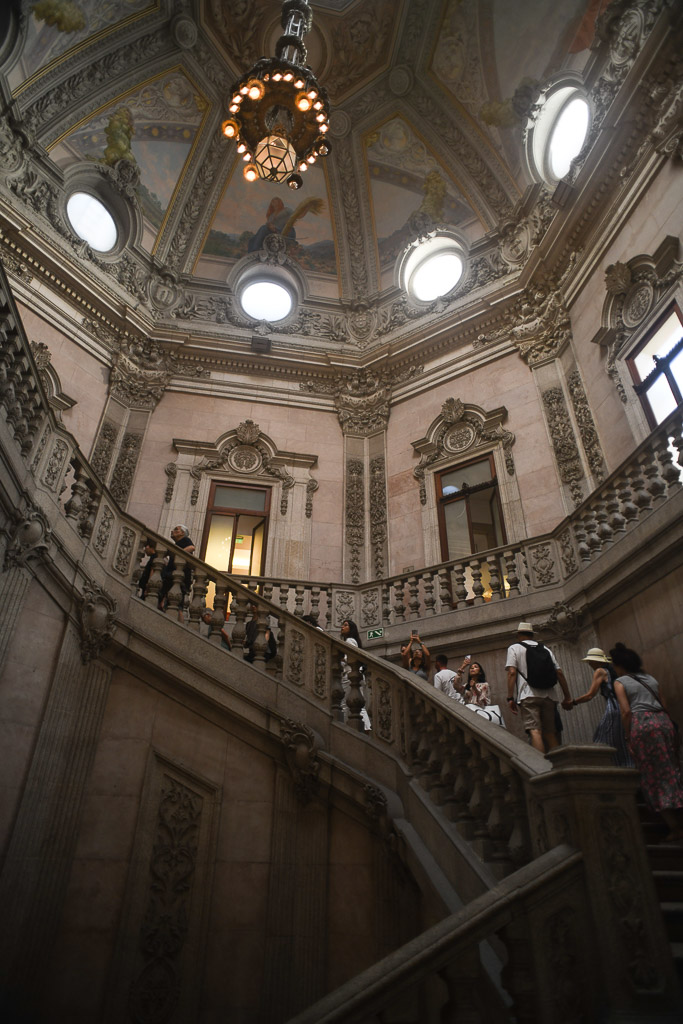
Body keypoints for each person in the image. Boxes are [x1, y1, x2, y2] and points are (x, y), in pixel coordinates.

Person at [611, 642, 683, 841]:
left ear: (619, 666)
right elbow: (664, 704)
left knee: (653, 773)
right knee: (672, 768)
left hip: (643, 726)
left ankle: (675, 827)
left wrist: (628, 737)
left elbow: (626, 711)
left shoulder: (620, 682)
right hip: (663, 722)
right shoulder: (650, 679)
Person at [506, 621, 573, 753]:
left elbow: (512, 672)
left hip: (528, 695)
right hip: (549, 695)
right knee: (550, 733)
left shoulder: (514, 648)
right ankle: (559, 767)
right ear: (532, 634)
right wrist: (567, 696)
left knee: (535, 731)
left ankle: (542, 768)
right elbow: (559, 672)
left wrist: (510, 697)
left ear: (518, 634)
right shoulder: (545, 649)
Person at [572, 647, 633, 767]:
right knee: (620, 741)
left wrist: (573, 702)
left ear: (597, 661)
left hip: (613, 708)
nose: (589, 663)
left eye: (591, 661)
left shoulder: (600, 671)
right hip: (622, 705)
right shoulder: (612, 670)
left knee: (602, 739)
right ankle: (626, 765)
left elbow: (590, 695)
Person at [341, 619, 370, 730]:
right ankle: (367, 728)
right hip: (355, 674)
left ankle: (342, 727)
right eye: (342, 625)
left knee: (344, 704)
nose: (342, 627)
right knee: (358, 704)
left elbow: (351, 658)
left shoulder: (349, 640)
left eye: (345, 625)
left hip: (349, 674)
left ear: (351, 628)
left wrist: (341, 658)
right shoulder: (352, 640)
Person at [158, 525, 195, 615]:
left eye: (176, 530)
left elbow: (191, 547)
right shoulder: (178, 543)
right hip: (174, 574)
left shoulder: (185, 540)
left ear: (182, 533)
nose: (172, 531)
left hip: (178, 575)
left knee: (177, 606)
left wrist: (177, 554)